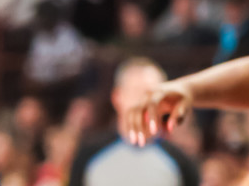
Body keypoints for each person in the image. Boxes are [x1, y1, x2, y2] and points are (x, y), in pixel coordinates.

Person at [70, 58, 198, 186]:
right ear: (117, 97)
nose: (144, 102)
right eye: (136, 92)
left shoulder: (181, 162)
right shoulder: (88, 156)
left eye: (152, 94)